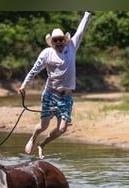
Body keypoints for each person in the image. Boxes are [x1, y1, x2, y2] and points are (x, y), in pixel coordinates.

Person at [18, 11, 92, 159]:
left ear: (65, 40)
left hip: (66, 97)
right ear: (52, 42)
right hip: (51, 94)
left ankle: (42, 144)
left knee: (62, 128)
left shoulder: (71, 46)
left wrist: (87, 13)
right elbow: (34, 69)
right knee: (43, 126)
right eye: (56, 40)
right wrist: (24, 85)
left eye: (61, 40)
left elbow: (81, 30)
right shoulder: (47, 53)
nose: (58, 42)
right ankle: (33, 138)